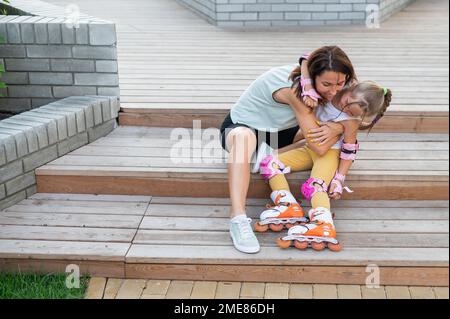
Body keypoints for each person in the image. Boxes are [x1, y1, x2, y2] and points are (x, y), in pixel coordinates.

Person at [220, 46, 357, 254]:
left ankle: (266, 154)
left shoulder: (338, 81)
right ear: (311, 78)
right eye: (326, 84)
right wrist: (341, 129)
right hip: (243, 127)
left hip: (280, 133)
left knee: (323, 127)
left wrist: (340, 126)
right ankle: (237, 219)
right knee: (244, 138)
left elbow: (365, 113)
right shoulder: (296, 91)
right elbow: (320, 147)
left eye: (340, 83)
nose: (334, 90)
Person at [255, 80, 392, 252]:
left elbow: (349, 150)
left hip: (329, 154)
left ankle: (323, 224)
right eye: (347, 104)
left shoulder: (351, 121)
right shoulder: (329, 92)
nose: (346, 110)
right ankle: (287, 205)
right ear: (351, 89)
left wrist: (339, 179)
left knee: (315, 185)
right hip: (308, 149)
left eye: (351, 112)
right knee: (269, 164)